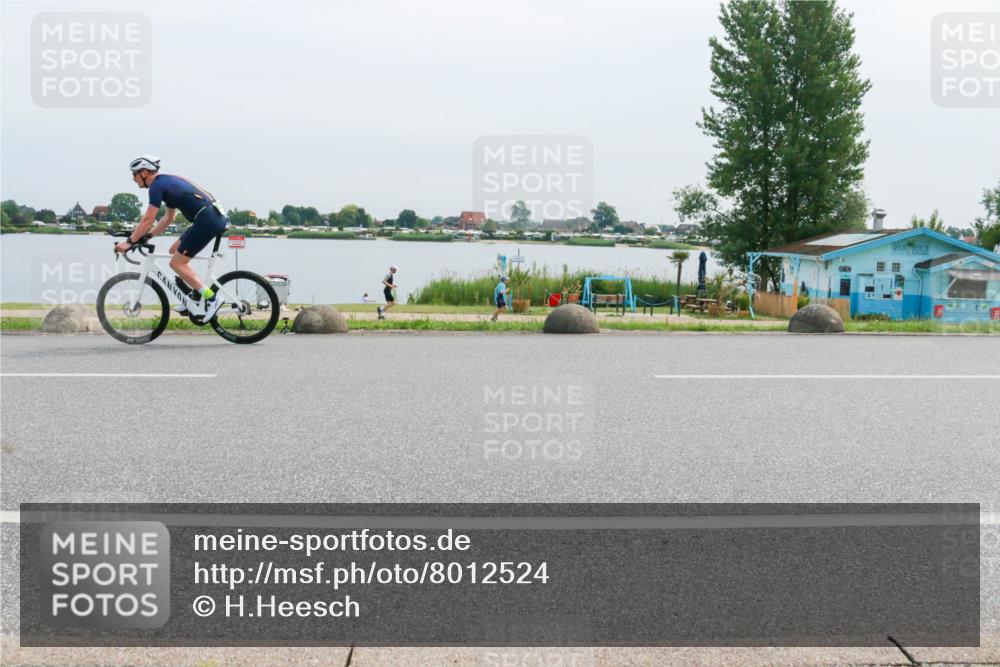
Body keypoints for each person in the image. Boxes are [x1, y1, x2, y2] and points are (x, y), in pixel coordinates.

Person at [116, 155, 229, 319]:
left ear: (145, 172)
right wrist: (145, 238)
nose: (133, 179)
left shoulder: (156, 186)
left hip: (207, 219)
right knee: (174, 250)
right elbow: (168, 219)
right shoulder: (166, 184)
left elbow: (148, 219)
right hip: (208, 217)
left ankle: (212, 297)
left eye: (134, 174)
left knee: (177, 263)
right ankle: (196, 294)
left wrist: (129, 242)